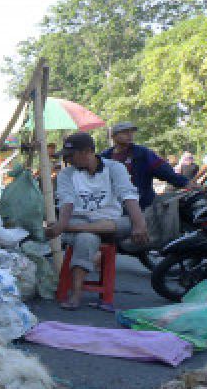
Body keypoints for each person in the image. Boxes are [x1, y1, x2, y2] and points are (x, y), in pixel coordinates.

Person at [46, 132, 149, 311]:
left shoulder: (115, 168)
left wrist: (140, 225)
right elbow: (66, 203)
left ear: (87, 152)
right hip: (82, 220)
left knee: (129, 223)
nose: (68, 161)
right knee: (86, 238)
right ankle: (77, 293)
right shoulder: (66, 175)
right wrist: (61, 224)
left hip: (109, 223)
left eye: (71, 156)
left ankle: (76, 228)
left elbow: (128, 195)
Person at [99, 122, 195, 208]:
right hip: (112, 207)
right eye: (124, 132)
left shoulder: (142, 153)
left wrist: (186, 183)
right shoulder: (104, 157)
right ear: (113, 136)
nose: (130, 135)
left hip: (141, 205)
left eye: (131, 132)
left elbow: (165, 171)